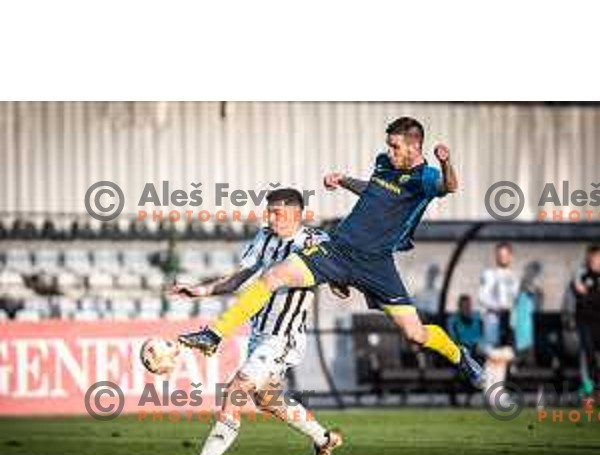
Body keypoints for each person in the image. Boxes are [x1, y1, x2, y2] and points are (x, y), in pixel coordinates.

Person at [179, 117, 485, 389]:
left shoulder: (425, 178)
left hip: (377, 264)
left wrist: (445, 162)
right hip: (338, 249)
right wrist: (343, 181)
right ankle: (215, 334)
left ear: (414, 146)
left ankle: (461, 356)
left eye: (395, 146)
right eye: (389, 146)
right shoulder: (383, 163)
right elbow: (374, 190)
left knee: (415, 334)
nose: (390, 152)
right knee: (273, 275)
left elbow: (450, 186)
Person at [170, 188, 343, 455]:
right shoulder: (264, 237)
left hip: (284, 335)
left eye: (277, 212)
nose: (270, 217)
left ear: (295, 213)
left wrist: (342, 280)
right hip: (259, 332)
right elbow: (240, 277)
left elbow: (341, 271)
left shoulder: (314, 241)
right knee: (267, 400)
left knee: (235, 392)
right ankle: (325, 439)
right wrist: (200, 290)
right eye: (269, 211)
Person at [478, 242, 519, 354]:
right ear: (496, 256)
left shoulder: (514, 277)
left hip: (509, 322)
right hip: (493, 321)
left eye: (506, 255)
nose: (503, 258)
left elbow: (515, 300)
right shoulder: (489, 274)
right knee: (493, 354)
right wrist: (498, 308)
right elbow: (482, 297)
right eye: (500, 255)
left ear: (510, 256)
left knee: (508, 354)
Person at [571, 245, 600, 397]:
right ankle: (589, 387)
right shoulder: (583, 276)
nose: (595, 262)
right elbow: (577, 291)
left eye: (597, 259)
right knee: (587, 353)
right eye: (592, 259)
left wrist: (588, 296)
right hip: (585, 323)